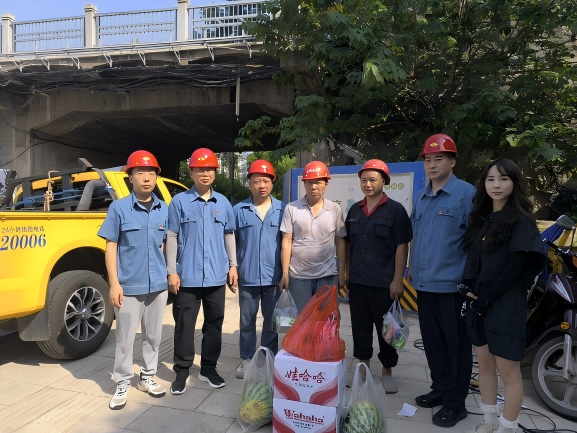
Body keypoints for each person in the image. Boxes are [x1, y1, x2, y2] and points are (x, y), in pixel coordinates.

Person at [461, 159, 544, 433]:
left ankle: (508, 428)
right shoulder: (482, 219)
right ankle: (489, 422)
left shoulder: (521, 221)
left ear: (515, 183)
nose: (496, 185)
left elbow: (515, 269)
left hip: (505, 304)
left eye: (503, 179)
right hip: (479, 302)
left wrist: (485, 300)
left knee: (508, 372)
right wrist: (469, 291)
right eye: (490, 179)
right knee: (484, 366)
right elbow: (473, 261)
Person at [408, 134, 476, 427]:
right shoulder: (421, 196)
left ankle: (456, 403)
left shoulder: (467, 194)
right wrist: (411, 267)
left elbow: (475, 241)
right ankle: (441, 387)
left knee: (456, 346)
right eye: (428, 160)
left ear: (452, 162)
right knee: (433, 342)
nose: (432, 165)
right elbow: (416, 235)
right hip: (424, 284)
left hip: (452, 286)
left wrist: (472, 281)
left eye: (439, 159)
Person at [98, 150, 169, 410]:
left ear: (156, 177)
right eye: (141, 173)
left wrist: (167, 273)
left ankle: (147, 376)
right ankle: (123, 381)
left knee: (153, 336)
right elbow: (111, 246)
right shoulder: (118, 208)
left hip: (157, 286)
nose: (146, 178)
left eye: (151, 173)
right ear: (130, 178)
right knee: (125, 338)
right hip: (128, 286)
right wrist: (114, 283)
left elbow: (164, 244)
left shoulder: (164, 209)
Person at [166, 148, 237, 393]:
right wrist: (172, 271)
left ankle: (208, 368)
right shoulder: (179, 202)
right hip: (187, 276)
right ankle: (182, 370)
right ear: (191, 172)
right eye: (200, 169)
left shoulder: (223, 203)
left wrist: (233, 265)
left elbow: (229, 234)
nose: (205, 173)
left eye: (209, 169)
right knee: (184, 325)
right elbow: (172, 235)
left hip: (216, 275)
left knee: (214, 324)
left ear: (215, 173)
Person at [345, 159, 412, 394]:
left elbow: (402, 246)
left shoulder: (396, 210)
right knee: (360, 328)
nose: (368, 184)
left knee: (387, 330)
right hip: (358, 281)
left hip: (385, 283)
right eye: (364, 180)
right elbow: (348, 244)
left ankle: (387, 371)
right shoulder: (354, 210)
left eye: (373, 179)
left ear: (384, 181)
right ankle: (363, 369)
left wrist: (398, 279)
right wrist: (346, 274)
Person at [233, 159, 286, 379]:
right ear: (250, 183)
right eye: (256, 181)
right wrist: (233, 268)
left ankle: (266, 359)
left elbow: (288, 243)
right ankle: (247, 359)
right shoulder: (239, 210)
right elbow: (231, 243)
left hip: (274, 276)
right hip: (247, 276)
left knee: (272, 321)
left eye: (265, 180)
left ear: (273, 182)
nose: (261, 185)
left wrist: (286, 273)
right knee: (247, 321)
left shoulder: (283, 209)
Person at [279, 161, 346, 312]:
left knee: (326, 320)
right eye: (309, 182)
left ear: (326, 185)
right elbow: (287, 242)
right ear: (304, 184)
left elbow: (340, 241)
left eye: (318, 182)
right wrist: (285, 274)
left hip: (327, 276)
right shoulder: (291, 208)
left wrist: (341, 272)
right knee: (301, 319)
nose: (313, 187)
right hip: (299, 277)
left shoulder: (334, 209)